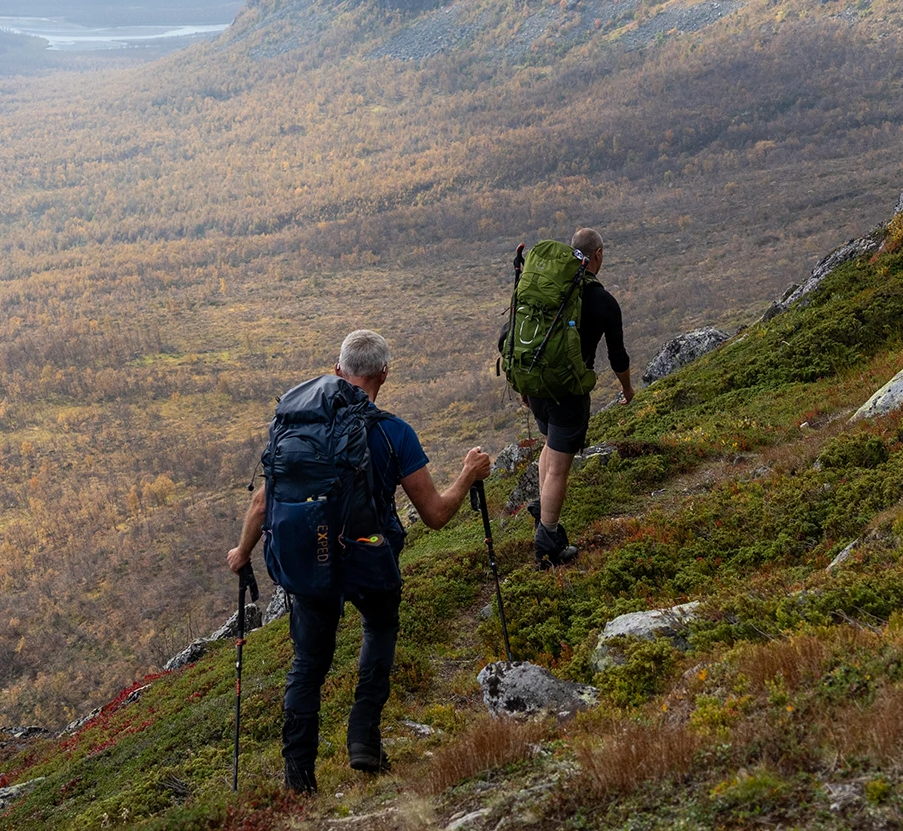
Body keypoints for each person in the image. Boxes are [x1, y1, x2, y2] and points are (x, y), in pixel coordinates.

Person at [226, 329, 491, 793]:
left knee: (308, 663)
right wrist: (468, 475)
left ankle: (299, 778)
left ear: (337, 371)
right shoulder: (393, 433)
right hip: (368, 553)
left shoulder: (297, 429)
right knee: (380, 625)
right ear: (384, 374)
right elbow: (435, 515)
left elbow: (261, 503)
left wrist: (243, 551)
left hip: (312, 560)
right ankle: (363, 739)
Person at [522, 226, 633, 568]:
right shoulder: (603, 301)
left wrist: (525, 388)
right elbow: (617, 356)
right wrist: (627, 389)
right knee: (559, 467)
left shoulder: (548, 288)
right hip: (567, 392)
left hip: (535, 384)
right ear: (597, 254)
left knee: (549, 444)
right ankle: (548, 544)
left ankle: (543, 507)